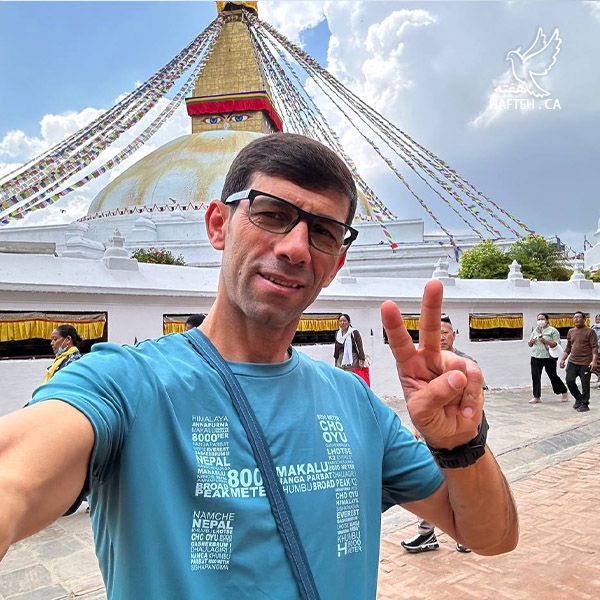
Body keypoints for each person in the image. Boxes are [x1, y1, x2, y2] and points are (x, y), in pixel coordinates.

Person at [0, 133, 518, 600]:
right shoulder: (123, 385)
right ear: (218, 225)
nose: (295, 249)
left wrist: (461, 445)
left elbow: (491, 537)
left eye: (323, 232)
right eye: (270, 213)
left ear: (335, 265)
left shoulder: (354, 403)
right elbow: (15, 477)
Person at [400, 315, 479, 555]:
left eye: (445, 332)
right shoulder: (423, 364)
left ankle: (467, 534)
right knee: (426, 481)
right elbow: (417, 399)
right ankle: (426, 534)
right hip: (429, 434)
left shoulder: (466, 363)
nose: (441, 337)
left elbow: (475, 401)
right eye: (437, 333)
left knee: (462, 486)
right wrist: (417, 427)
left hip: (460, 436)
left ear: (454, 335)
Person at [559, 310, 598, 412]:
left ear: (584, 319)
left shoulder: (590, 332)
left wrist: (594, 361)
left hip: (585, 362)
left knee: (585, 384)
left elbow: (594, 347)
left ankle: (585, 404)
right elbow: (568, 347)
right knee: (569, 381)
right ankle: (579, 398)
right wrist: (563, 359)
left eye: (578, 317)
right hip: (572, 361)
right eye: (574, 317)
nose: (576, 319)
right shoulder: (571, 331)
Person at [527, 313, 568, 404]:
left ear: (547, 320)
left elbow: (556, 344)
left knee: (552, 375)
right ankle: (536, 396)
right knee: (535, 376)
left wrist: (545, 341)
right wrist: (531, 342)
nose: (540, 321)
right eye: (539, 319)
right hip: (536, 356)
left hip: (548, 357)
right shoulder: (536, 330)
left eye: (542, 319)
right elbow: (529, 344)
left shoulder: (553, 331)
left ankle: (563, 391)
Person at [591, 314, 600, 388]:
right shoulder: (593, 327)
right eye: (597, 319)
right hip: (593, 350)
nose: (598, 321)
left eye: (599, 320)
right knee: (593, 367)